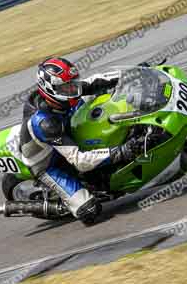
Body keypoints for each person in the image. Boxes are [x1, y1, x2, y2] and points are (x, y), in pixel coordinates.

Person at [19, 57, 146, 223]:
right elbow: (79, 161)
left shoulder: (63, 93)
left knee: (105, 97)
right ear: (50, 89)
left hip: (65, 131)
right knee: (90, 211)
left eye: (73, 83)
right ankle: (66, 204)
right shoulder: (45, 123)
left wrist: (135, 73)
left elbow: (95, 81)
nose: (73, 89)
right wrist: (122, 151)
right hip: (48, 163)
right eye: (67, 87)